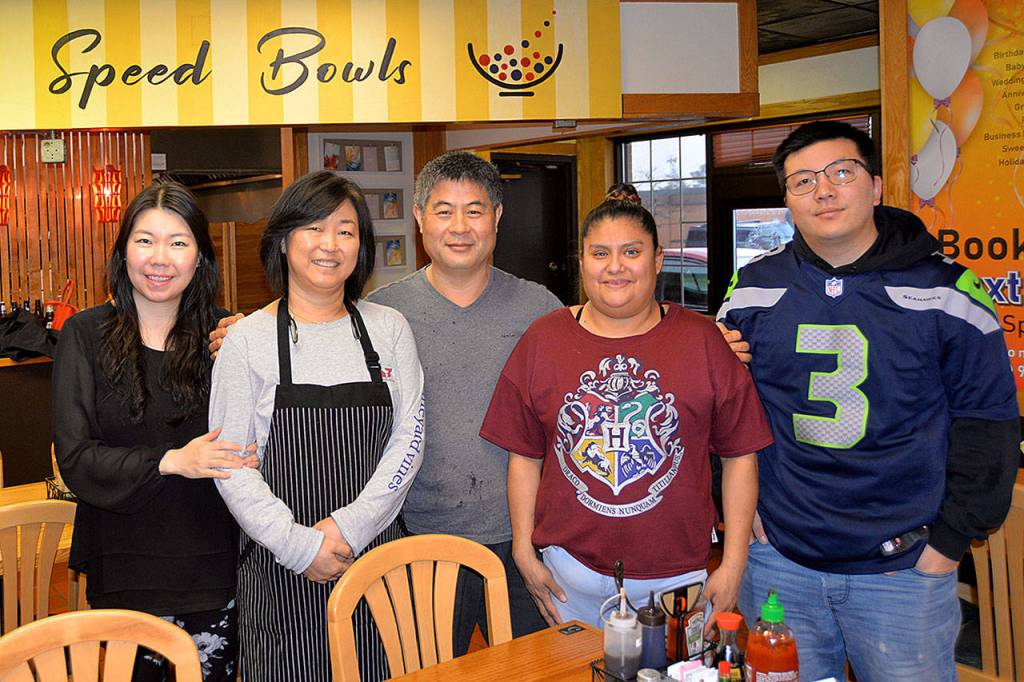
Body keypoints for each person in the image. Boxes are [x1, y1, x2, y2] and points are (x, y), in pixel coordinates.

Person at [209, 151, 559, 655]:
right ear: (419, 219)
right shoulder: (389, 310)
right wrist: (238, 336)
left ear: (498, 217)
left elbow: (607, 336)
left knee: (535, 667)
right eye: (443, 210)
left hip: (521, 539)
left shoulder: (540, 310)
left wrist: (709, 335)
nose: (459, 226)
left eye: (475, 210)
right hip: (414, 538)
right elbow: (232, 459)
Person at [717, 120, 1021, 681]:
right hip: (779, 559)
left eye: (841, 173)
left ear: (877, 185)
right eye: (802, 181)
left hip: (904, 569)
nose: (824, 191)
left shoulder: (947, 290)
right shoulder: (752, 289)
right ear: (786, 199)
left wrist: (948, 544)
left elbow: (989, 426)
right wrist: (742, 517)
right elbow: (723, 415)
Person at [479, 198, 773, 628]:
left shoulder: (704, 342)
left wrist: (733, 564)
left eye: (631, 252)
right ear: (582, 262)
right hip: (569, 575)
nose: (615, 266)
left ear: (657, 261)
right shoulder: (543, 340)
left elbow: (740, 456)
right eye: (600, 253)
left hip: (676, 580)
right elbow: (525, 454)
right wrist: (523, 550)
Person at [208, 171, 424, 682]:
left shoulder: (389, 329)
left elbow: (410, 439)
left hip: (376, 562)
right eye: (314, 228)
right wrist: (299, 545)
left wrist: (348, 528)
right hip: (280, 567)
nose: (330, 244)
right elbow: (229, 463)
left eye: (346, 230)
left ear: (360, 247)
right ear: (283, 240)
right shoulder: (247, 341)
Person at [53, 183, 256, 681]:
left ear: (201, 258)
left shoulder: (228, 336)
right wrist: (172, 459)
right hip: (124, 567)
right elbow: (76, 458)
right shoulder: (84, 334)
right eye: (145, 240)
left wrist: (257, 353)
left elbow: (265, 442)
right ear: (124, 251)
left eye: (179, 242)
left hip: (215, 565)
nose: (160, 258)